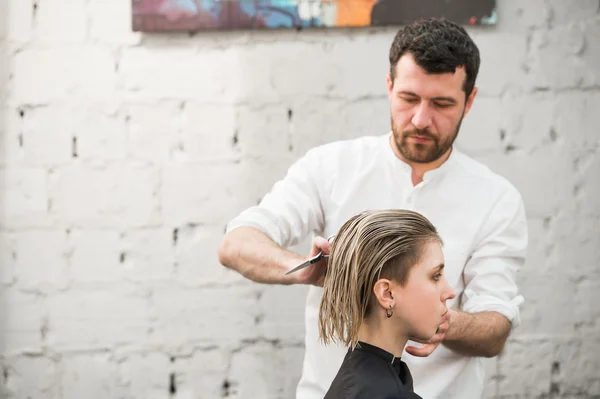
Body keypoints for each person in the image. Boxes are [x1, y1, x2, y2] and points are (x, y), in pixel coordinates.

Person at [218, 17, 527, 399]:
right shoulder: (331, 166)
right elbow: (236, 243)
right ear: (389, 86)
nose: (420, 119)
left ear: (470, 101)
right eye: (409, 98)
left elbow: (495, 328)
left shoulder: (496, 198)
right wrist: (305, 272)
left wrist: (439, 321)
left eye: (442, 103)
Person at [319, 209, 456, 399]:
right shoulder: (384, 394)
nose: (449, 292)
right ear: (387, 294)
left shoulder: (357, 380)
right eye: (435, 276)